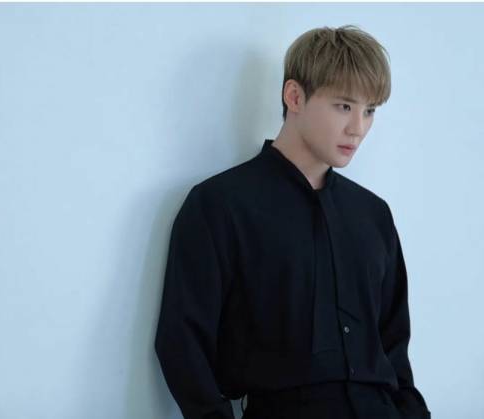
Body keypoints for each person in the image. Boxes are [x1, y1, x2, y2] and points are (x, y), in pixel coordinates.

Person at [154, 24, 431, 419]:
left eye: (369, 111)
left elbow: (394, 346)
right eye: (343, 106)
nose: (358, 128)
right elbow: (182, 341)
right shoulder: (220, 205)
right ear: (295, 96)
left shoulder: (373, 214)